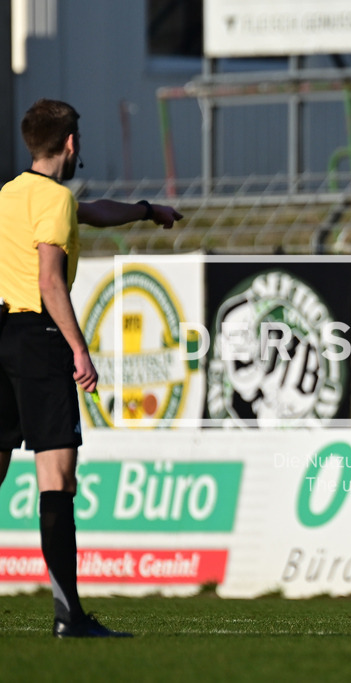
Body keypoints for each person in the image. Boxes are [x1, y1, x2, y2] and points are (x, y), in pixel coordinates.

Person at [0, 98, 182, 638]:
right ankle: (68, 616)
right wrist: (78, 348)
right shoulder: (54, 199)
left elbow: (92, 211)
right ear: (71, 142)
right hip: (39, 339)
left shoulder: (12, 194)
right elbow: (50, 281)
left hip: (1, 335)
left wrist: (146, 210)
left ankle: (69, 614)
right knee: (57, 481)